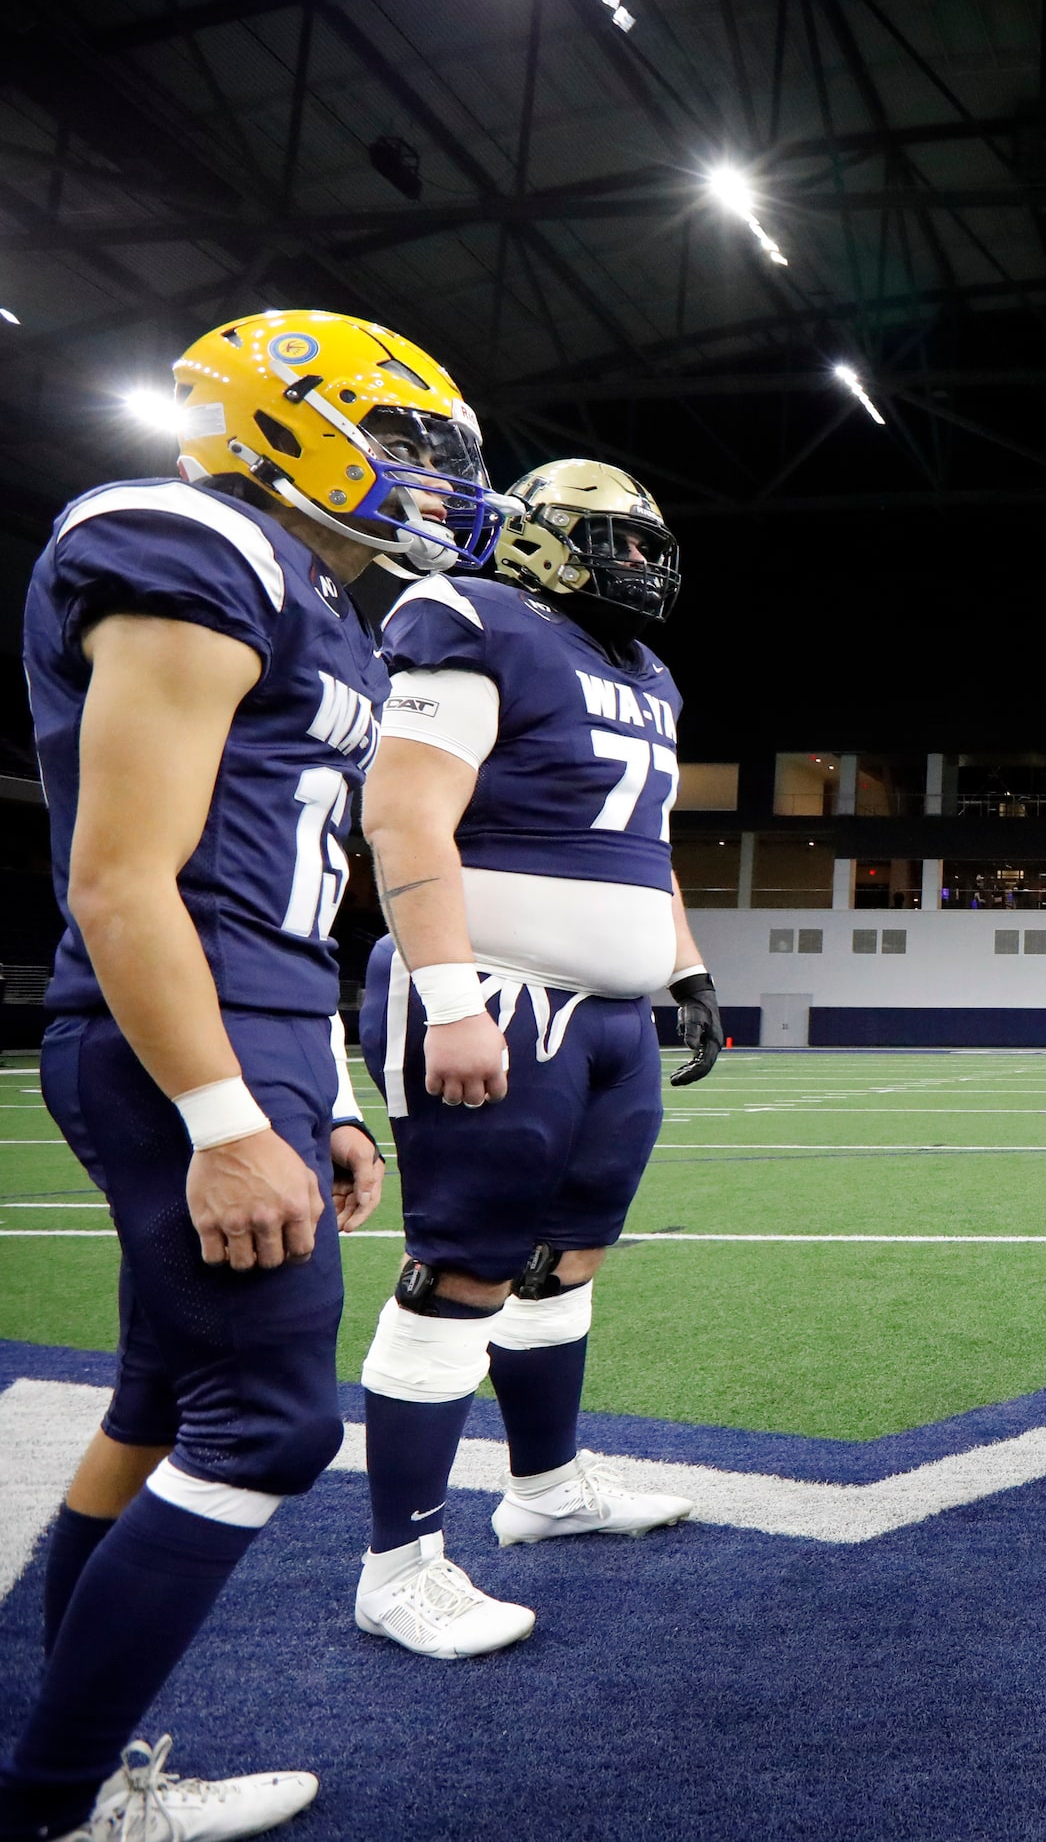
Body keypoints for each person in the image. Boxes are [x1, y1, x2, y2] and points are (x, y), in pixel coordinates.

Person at [4, 308, 510, 1842]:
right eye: (403, 444)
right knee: (268, 1419)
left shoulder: (326, 606)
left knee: (166, 1394)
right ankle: (54, 1800)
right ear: (279, 422)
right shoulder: (187, 542)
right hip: (184, 1026)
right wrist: (226, 1116)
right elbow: (123, 876)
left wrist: (331, 1093)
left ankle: (64, 1735)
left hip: (264, 1013)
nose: (429, 483)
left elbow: (282, 879)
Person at [349, 459, 716, 1658]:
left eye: (647, 543)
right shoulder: (473, 616)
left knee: (570, 1260)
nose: (639, 563)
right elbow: (403, 812)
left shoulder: (645, 670)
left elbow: (643, 843)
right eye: (612, 539)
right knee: (465, 1268)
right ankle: (399, 1563)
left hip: (610, 1016)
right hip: (498, 994)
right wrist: (449, 994)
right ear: (540, 537)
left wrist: (684, 967)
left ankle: (545, 1489)